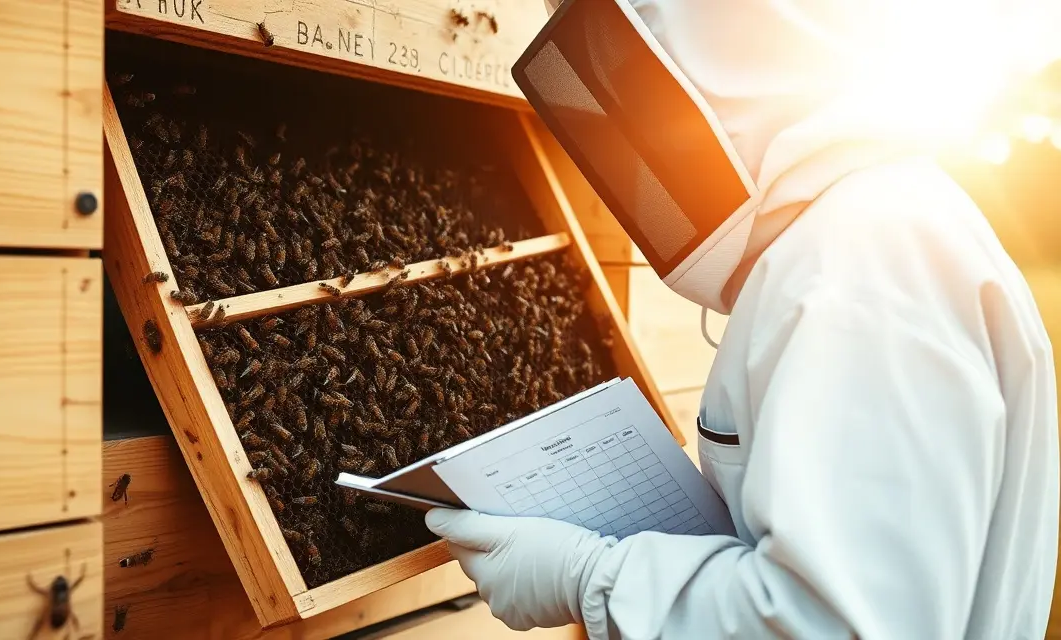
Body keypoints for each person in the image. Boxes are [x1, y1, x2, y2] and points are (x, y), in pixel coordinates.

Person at [424, 0, 1061, 637]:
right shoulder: (858, 231)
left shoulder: (864, 257)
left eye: (641, 84)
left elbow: (838, 622)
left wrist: (592, 577)